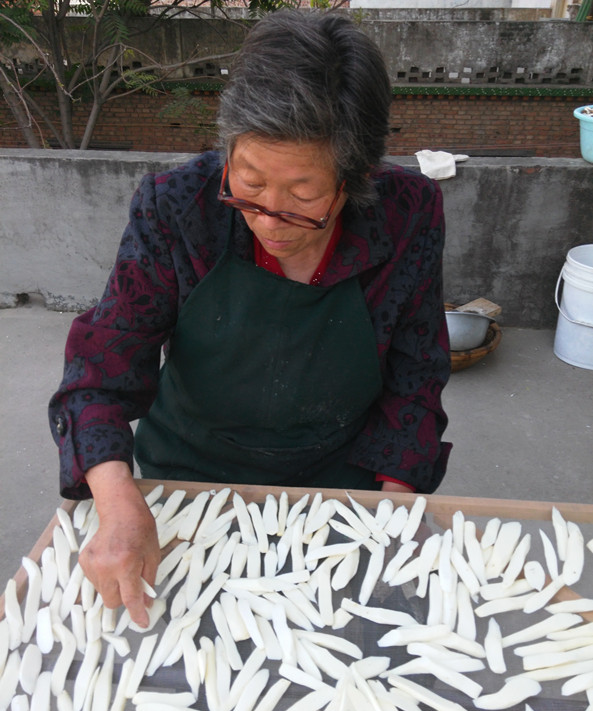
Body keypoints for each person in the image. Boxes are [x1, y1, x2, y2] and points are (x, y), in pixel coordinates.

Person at [49, 10, 451, 627]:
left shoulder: (406, 215)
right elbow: (100, 369)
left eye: (303, 194)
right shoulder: (179, 208)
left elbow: (416, 373)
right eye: (250, 181)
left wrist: (393, 510)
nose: (268, 217)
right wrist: (118, 500)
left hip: (339, 482)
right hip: (189, 479)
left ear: (357, 178)